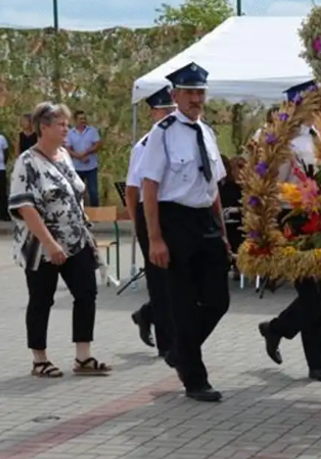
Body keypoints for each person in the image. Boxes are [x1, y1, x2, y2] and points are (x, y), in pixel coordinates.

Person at [137, 62, 232, 402]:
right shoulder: (162, 133)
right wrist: (155, 238)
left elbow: (214, 186)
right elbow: (149, 188)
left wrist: (222, 231)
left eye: (200, 92)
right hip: (174, 221)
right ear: (175, 95)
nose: (196, 98)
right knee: (183, 304)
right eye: (189, 92)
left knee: (218, 300)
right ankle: (195, 379)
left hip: (205, 219)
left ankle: (180, 350)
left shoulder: (206, 132)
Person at [8, 102, 111, 378]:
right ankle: (39, 359)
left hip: (75, 241)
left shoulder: (64, 155)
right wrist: (51, 244)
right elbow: (25, 207)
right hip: (42, 246)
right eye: (61, 125)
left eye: (67, 124)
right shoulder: (27, 162)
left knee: (86, 292)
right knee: (42, 300)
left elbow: (73, 194)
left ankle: (83, 356)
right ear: (44, 128)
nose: (66, 129)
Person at [258, 80, 321, 383]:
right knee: (309, 291)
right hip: (292, 218)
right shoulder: (284, 140)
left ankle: (277, 328)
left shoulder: (318, 135)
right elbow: (271, 185)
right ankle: (317, 363)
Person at [126, 87, 177, 364]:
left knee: (177, 281)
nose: (167, 116)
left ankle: (147, 315)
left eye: (171, 111)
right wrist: (138, 224)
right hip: (150, 216)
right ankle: (167, 345)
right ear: (152, 114)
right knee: (159, 282)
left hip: (175, 215)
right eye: (163, 111)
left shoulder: (181, 139)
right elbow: (133, 190)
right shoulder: (144, 146)